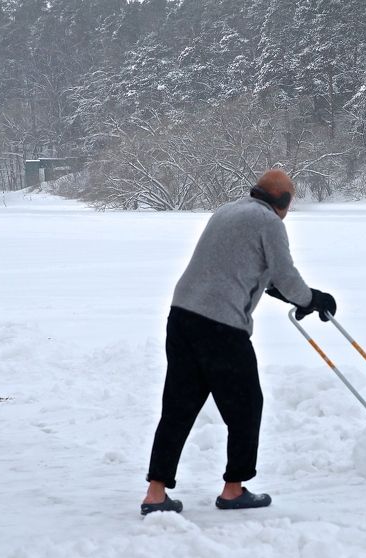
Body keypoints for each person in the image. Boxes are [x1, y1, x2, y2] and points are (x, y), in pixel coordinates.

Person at [141, 169, 336, 515]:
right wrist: (311, 299)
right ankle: (234, 489)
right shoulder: (270, 223)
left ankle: (155, 493)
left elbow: (249, 271)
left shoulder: (227, 210)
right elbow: (285, 276)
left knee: (179, 406)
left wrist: (301, 299)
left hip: (182, 316)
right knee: (247, 407)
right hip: (221, 327)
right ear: (283, 200)